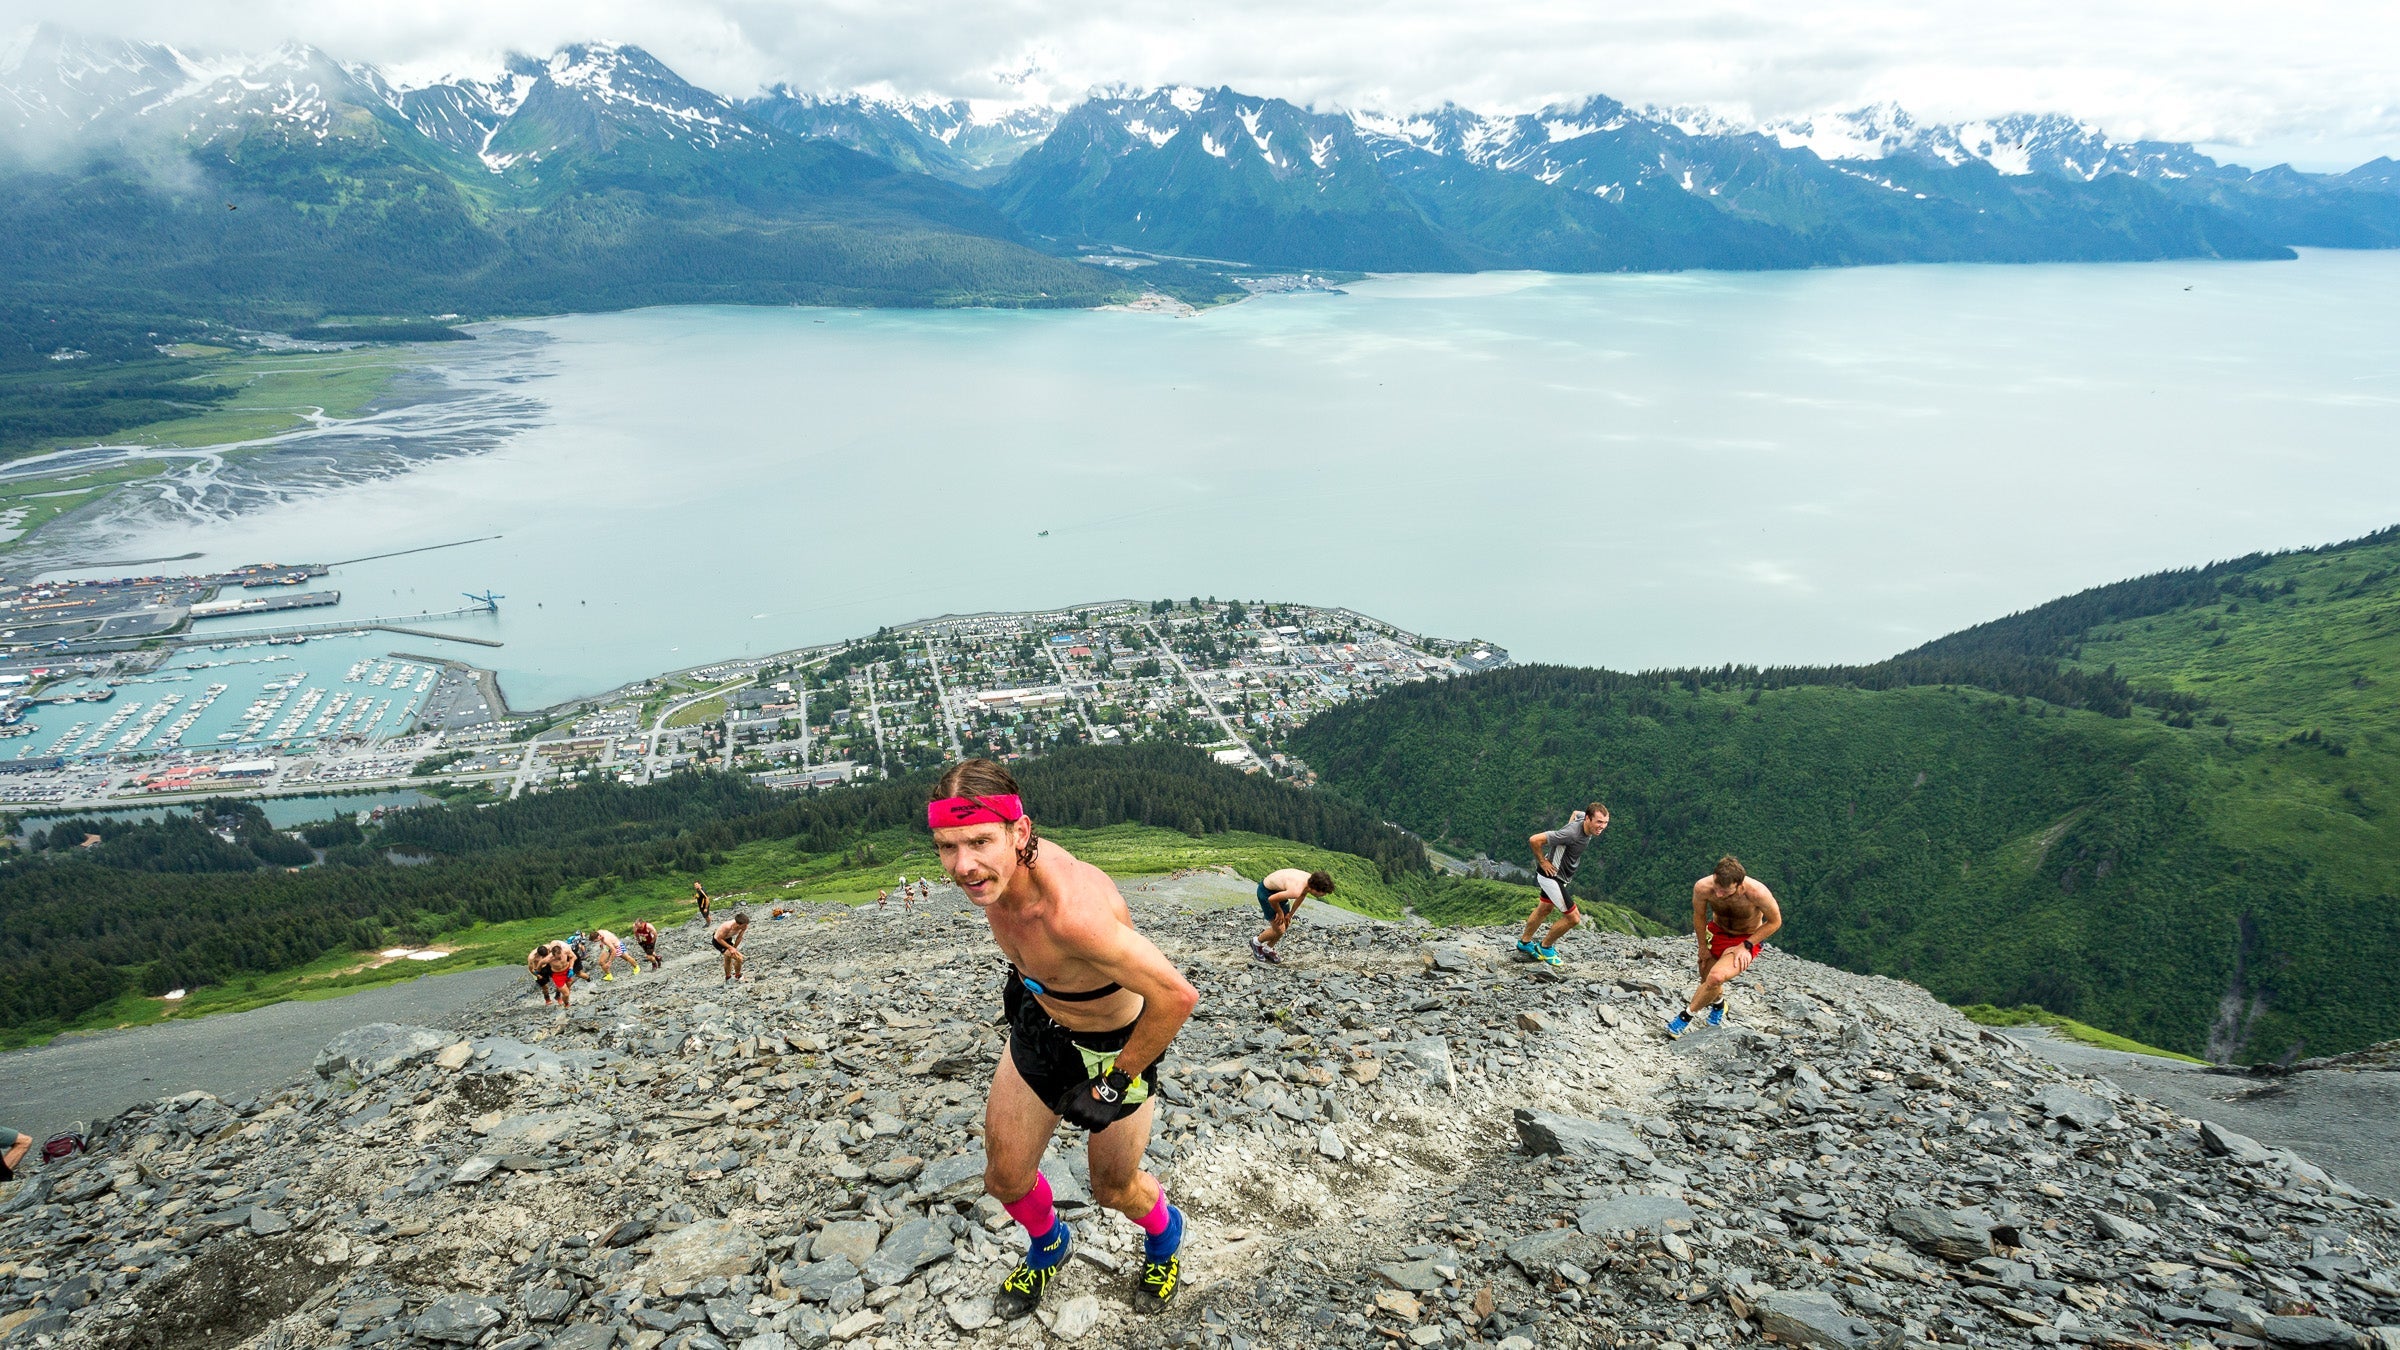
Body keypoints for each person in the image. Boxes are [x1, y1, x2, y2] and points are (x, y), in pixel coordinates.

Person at [928, 759, 1197, 1318]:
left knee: (1113, 1188)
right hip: (1043, 1026)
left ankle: (1165, 1237)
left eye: (979, 841)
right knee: (1005, 1179)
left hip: (1113, 1049)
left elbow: (1176, 996)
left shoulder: (1072, 915)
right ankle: (1050, 1244)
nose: (963, 866)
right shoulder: (999, 879)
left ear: (1019, 832)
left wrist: (1115, 1082)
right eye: (947, 847)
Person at [1668, 855, 1782, 1037]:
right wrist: (1702, 947)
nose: (1719, 894)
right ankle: (1719, 1005)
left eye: (1725, 891)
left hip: (1746, 937)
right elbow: (1699, 916)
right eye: (1717, 888)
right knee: (1707, 981)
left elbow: (1775, 921)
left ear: (1739, 885)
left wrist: (1746, 945)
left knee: (1715, 977)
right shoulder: (1703, 887)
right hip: (1717, 931)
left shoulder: (1757, 893)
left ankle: (1684, 1018)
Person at [1515, 803, 1610, 967]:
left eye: (1605, 822)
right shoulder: (1571, 834)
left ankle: (1524, 943)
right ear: (1588, 819)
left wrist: (1562, 841)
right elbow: (1534, 840)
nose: (1602, 826)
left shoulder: (1583, 819)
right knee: (1574, 918)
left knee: (1544, 909)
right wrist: (1543, 862)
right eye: (1599, 822)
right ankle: (1545, 947)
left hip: (1559, 877)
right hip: (1552, 877)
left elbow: (1575, 813)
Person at [1248, 868, 1335, 965]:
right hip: (1266, 893)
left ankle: (1267, 949)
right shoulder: (1296, 890)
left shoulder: (1310, 881)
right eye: (1323, 892)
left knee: (1286, 923)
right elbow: (1272, 899)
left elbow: (1302, 896)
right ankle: (1256, 942)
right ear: (1315, 889)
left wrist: (1290, 914)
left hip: (1279, 892)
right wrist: (1279, 912)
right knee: (1279, 929)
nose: (1324, 895)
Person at [712, 912, 749, 982]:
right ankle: (738, 975)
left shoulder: (744, 926)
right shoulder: (727, 926)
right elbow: (718, 938)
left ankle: (728, 977)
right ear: (738, 924)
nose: (746, 926)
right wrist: (730, 948)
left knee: (728, 959)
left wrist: (734, 948)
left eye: (746, 924)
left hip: (728, 939)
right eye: (744, 925)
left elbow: (739, 937)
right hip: (718, 941)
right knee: (739, 958)